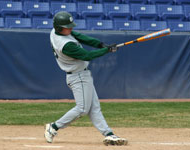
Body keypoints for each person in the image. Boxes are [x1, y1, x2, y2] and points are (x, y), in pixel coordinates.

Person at [44, 11, 128, 146]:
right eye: (67, 26)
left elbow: (80, 37)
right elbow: (87, 56)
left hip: (81, 75)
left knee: (94, 107)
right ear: (60, 27)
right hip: (77, 77)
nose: (70, 28)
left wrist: (101, 44)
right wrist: (107, 50)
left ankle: (109, 134)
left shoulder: (56, 31)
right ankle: (54, 127)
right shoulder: (65, 45)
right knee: (82, 109)